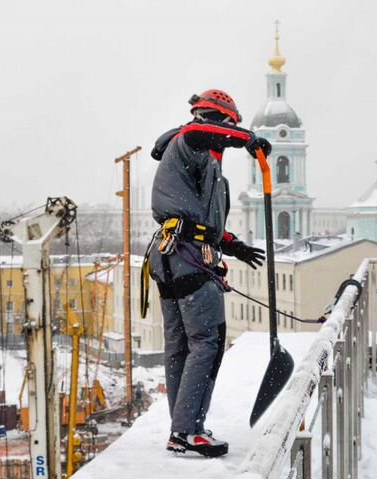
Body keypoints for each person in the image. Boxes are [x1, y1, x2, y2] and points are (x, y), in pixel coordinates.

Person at [147, 89, 271, 457]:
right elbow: (202, 132)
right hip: (186, 258)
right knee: (206, 343)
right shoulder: (191, 139)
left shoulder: (195, 160)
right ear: (218, 121)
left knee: (181, 347)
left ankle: (181, 428)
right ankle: (188, 430)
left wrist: (234, 246)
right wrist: (248, 138)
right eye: (227, 128)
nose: (224, 138)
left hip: (171, 254)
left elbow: (200, 221)